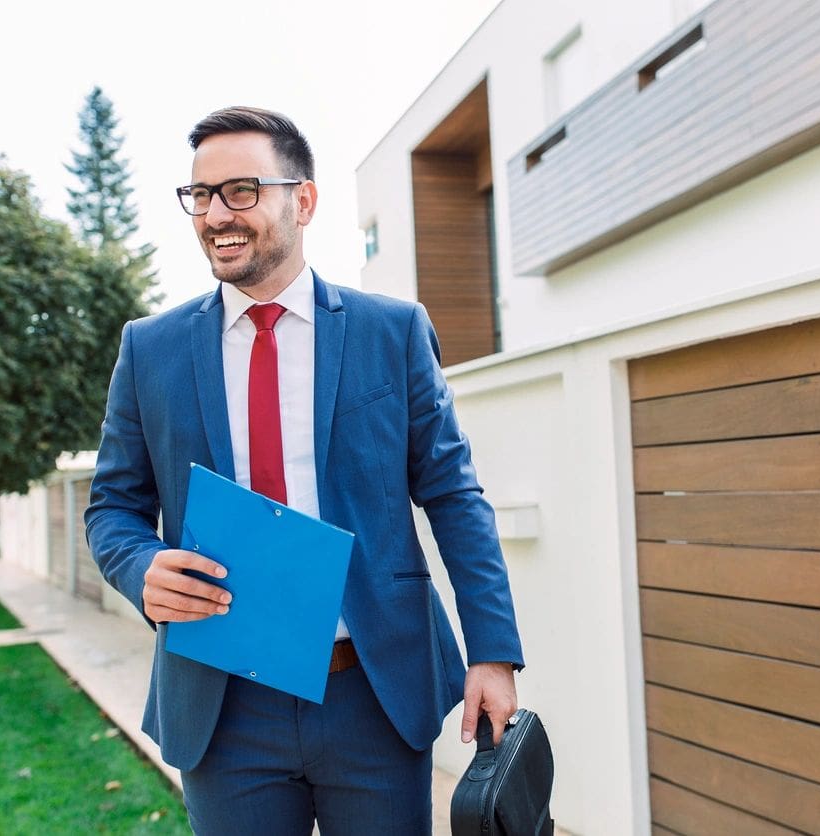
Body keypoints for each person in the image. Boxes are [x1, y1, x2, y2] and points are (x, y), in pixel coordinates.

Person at [85, 106, 523, 835]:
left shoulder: (392, 331)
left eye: (242, 190)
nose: (216, 214)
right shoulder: (150, 350)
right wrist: (142, 568)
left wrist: (494, 653)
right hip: (222, 707)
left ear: (304, 200)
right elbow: (111, 509)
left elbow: (453, 496)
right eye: (200, 195)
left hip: (372, 697)